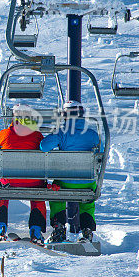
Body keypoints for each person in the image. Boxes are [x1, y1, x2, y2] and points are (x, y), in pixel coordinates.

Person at [39, 100, 100, 243]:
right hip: (87, 182)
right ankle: (87, 230)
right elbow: (100, 154)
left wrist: (56, 134)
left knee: (56, 195)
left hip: (65, 182)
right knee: (87, 202)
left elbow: (43, 147)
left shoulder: (62, 133)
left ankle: (59, 228)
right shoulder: (92, 134)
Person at [0, 104, 48, 245]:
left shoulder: (4, 134)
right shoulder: (37, 135)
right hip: (34, 182)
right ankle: (36, 229)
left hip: (9, 181)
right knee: (37, 196)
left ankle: (0, 228)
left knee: (0, 194)